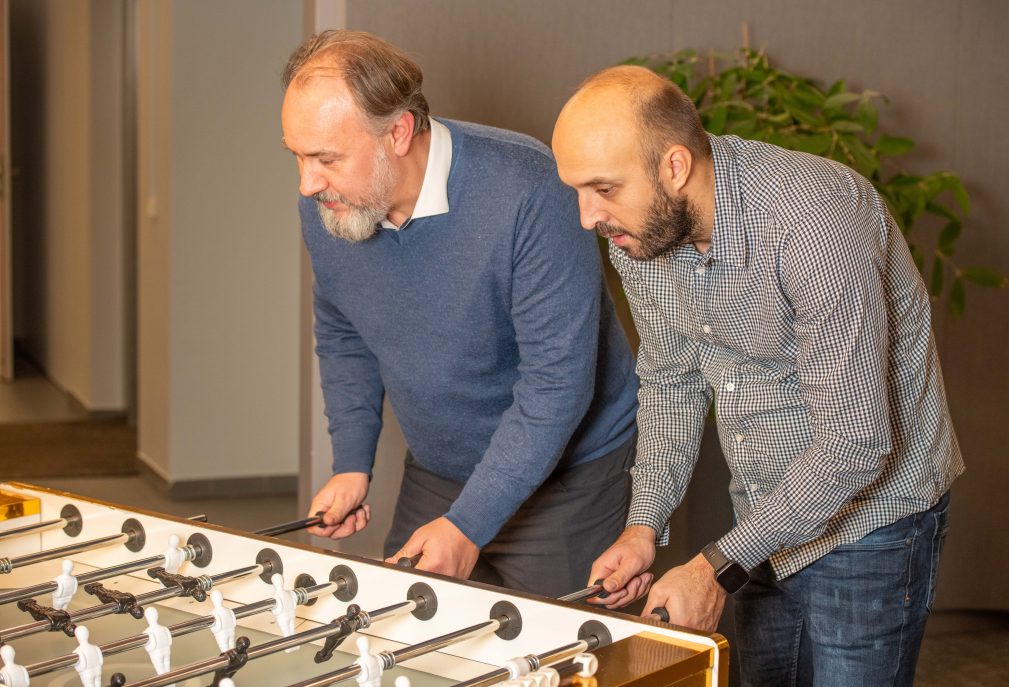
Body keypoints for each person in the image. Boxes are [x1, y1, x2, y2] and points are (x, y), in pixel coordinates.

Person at [550, 65, 964, 685]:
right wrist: (643, 526)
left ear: (675, 166)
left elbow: (856, 443)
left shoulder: (815, 221)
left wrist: (716, 567)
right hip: (763, 516)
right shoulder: (638, 234)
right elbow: (671, 383)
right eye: (578, 191)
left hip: (873, 521)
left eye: (603, 188)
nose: (588, 217)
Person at [279, 30, 638, 597]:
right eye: (297, 156)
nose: (307, 183)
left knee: (556, 649)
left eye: (326, 158)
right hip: (439, 471)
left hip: (568, 483)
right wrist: (351, 463)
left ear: (399, 132)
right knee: (406, 633)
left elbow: (557, 384)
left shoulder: (529, 189)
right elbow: (345, 329)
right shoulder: (331, 203)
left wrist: (468, 525)